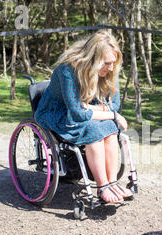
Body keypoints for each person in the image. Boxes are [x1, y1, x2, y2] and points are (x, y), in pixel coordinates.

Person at [34, 30, 133, 203]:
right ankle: (102, 187)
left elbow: (114, 103)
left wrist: (92, 108)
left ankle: (112, 182)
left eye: (113, 63)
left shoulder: (110, 68)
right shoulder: (68, 70)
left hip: (82, 110)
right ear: (92, 59)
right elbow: (77, 113)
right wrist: (112, 114)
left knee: (111, 128)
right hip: (55, 113)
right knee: (94, 128)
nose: (111, 68)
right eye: (106, 63)